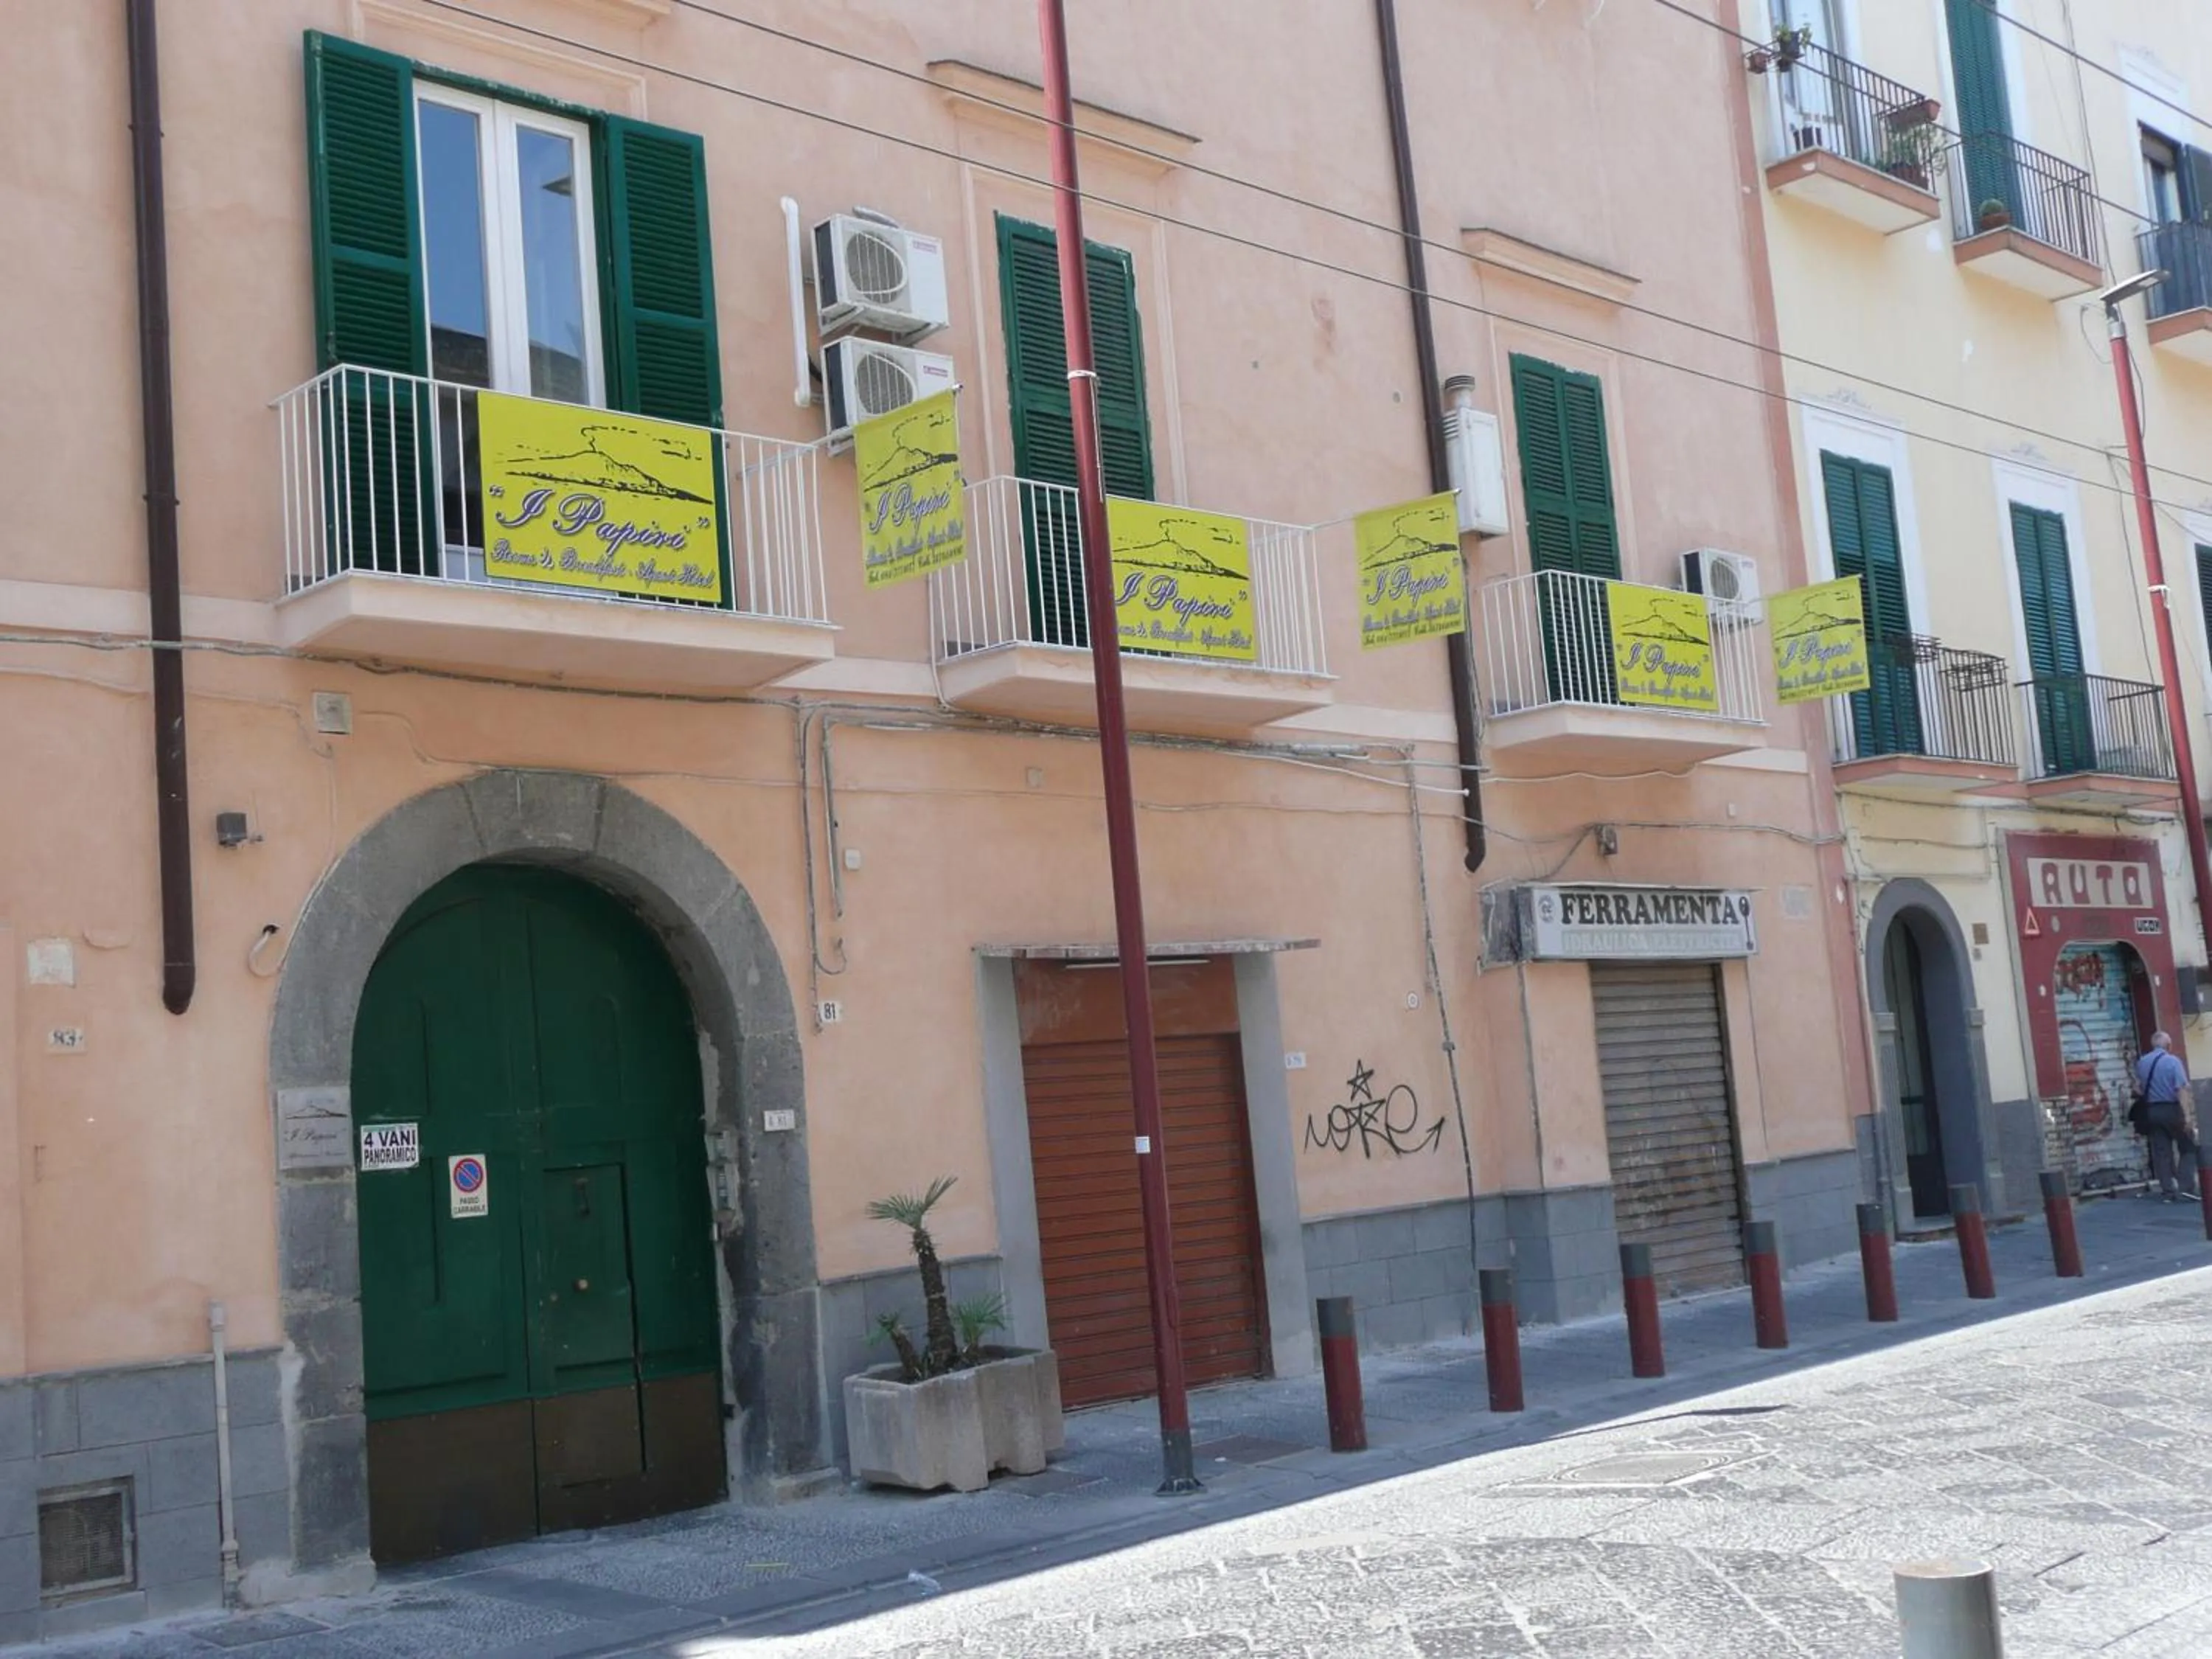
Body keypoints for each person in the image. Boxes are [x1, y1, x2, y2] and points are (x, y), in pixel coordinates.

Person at [2133, 1032, 2202, 1202]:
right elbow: (2181, 1089)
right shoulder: (2173, 1061)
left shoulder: (2143, 1062)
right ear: (2169, 1045)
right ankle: (2186, 1187)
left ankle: (2168, 1192)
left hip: (2152, 1111)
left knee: (2162, 1152)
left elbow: (2137, 1088)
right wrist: (2187, 1116)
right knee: (2188, 1147)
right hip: (2172, 1110)